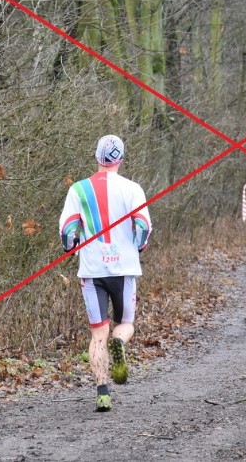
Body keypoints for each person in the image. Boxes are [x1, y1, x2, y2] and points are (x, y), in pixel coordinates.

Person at [59, 135, 151, 412]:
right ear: (121, 159)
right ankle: (119, 342)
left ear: (97, 157)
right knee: (126, 323)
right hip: (123, 269)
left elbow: (67, 231)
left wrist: (71, 247)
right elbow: (143, 228)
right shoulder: (133, 189)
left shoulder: (78, 189)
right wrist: (137, 247)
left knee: (98, 334)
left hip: (92, 269)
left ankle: (102, 393)